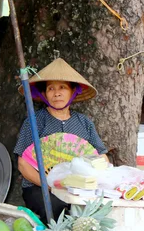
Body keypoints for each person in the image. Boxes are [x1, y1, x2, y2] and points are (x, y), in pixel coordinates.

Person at [14, 58, 107, 222]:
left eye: (62, 87)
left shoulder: (84, 123)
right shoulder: (34, 122)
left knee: (96, 208)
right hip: (39, 187)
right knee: (57, 206)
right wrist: (49, 186)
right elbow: (23, 163)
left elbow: (101, 157)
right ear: (44, 94)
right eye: (51, 88)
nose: (57, 93)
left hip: (78, 188)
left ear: (73, 91)